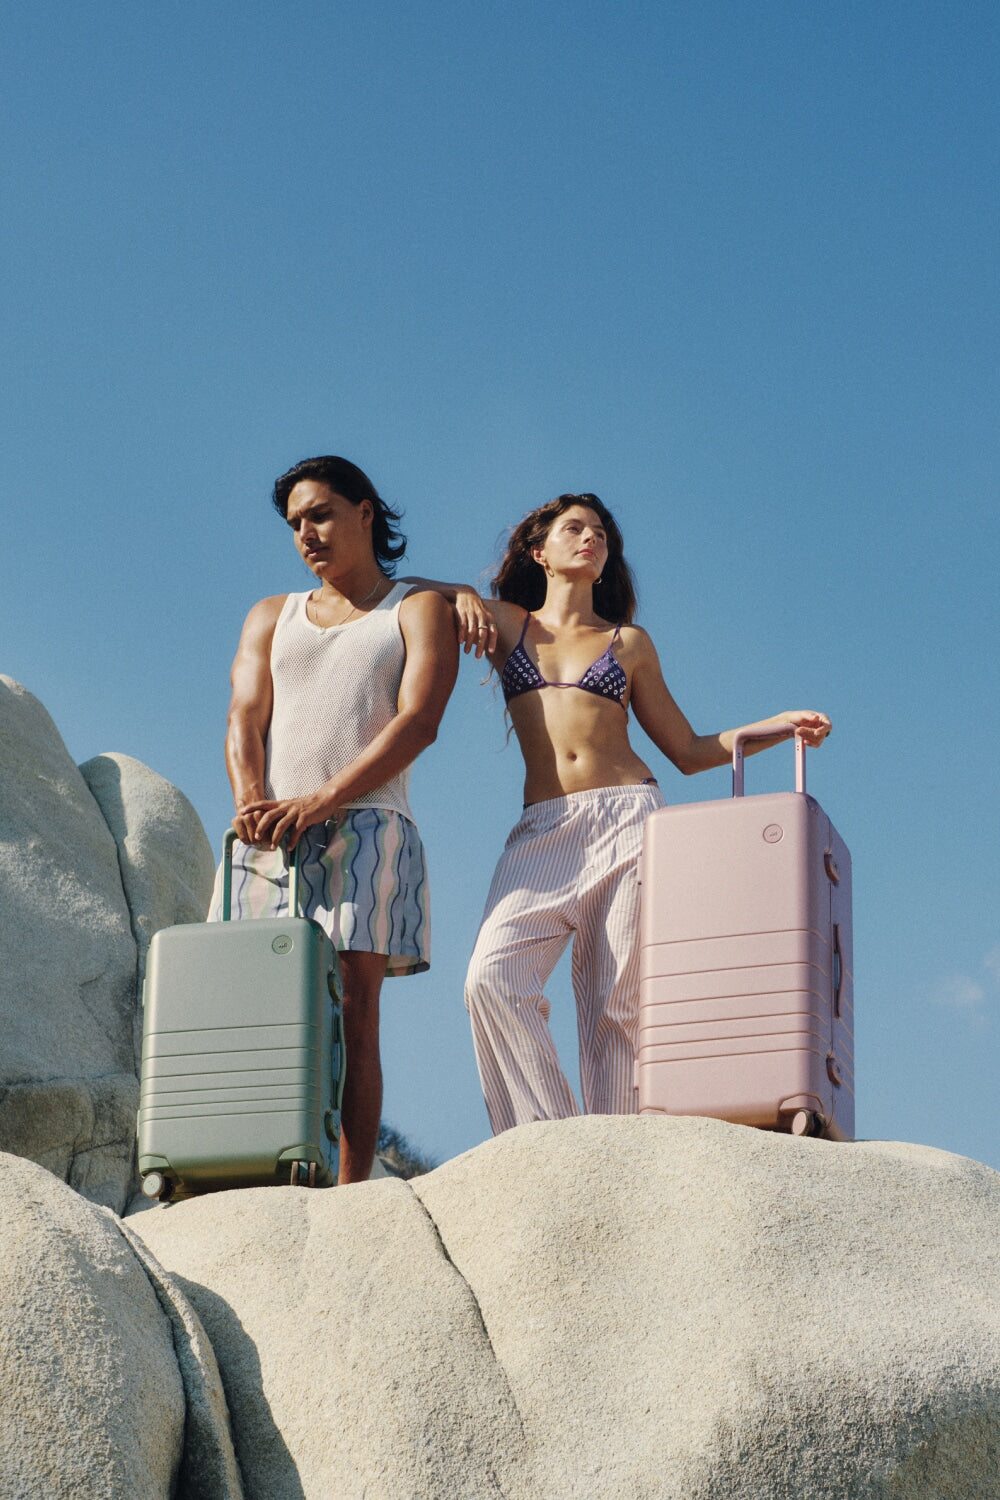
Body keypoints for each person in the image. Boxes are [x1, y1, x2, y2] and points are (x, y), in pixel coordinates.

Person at [442, 493, 831, 1135]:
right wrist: (458, 591)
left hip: (629, 819)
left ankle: (621, 1147)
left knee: (615, 1003)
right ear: (539, 550)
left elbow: (686, 749)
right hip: (543, 830)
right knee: (490, 979)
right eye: (575, 528)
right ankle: (547, 1139)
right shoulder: (507, 625)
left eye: (601, 532)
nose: (591, 538)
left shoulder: (627, 643)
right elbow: (414, 597)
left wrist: (774, 727)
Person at [211, 455, 459, 1183]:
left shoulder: (416, 610)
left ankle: (350, 1188)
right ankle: (254, 1165)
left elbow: (418, 722)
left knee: (353, 1011)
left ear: (365, 513)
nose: (306, 534)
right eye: (294, 524)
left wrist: (320, 802)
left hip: (370, 825)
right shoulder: (271, 614)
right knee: (256, 1005)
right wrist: (249, 797)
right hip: (266, 832)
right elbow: (243, 715)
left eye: (319, 514)